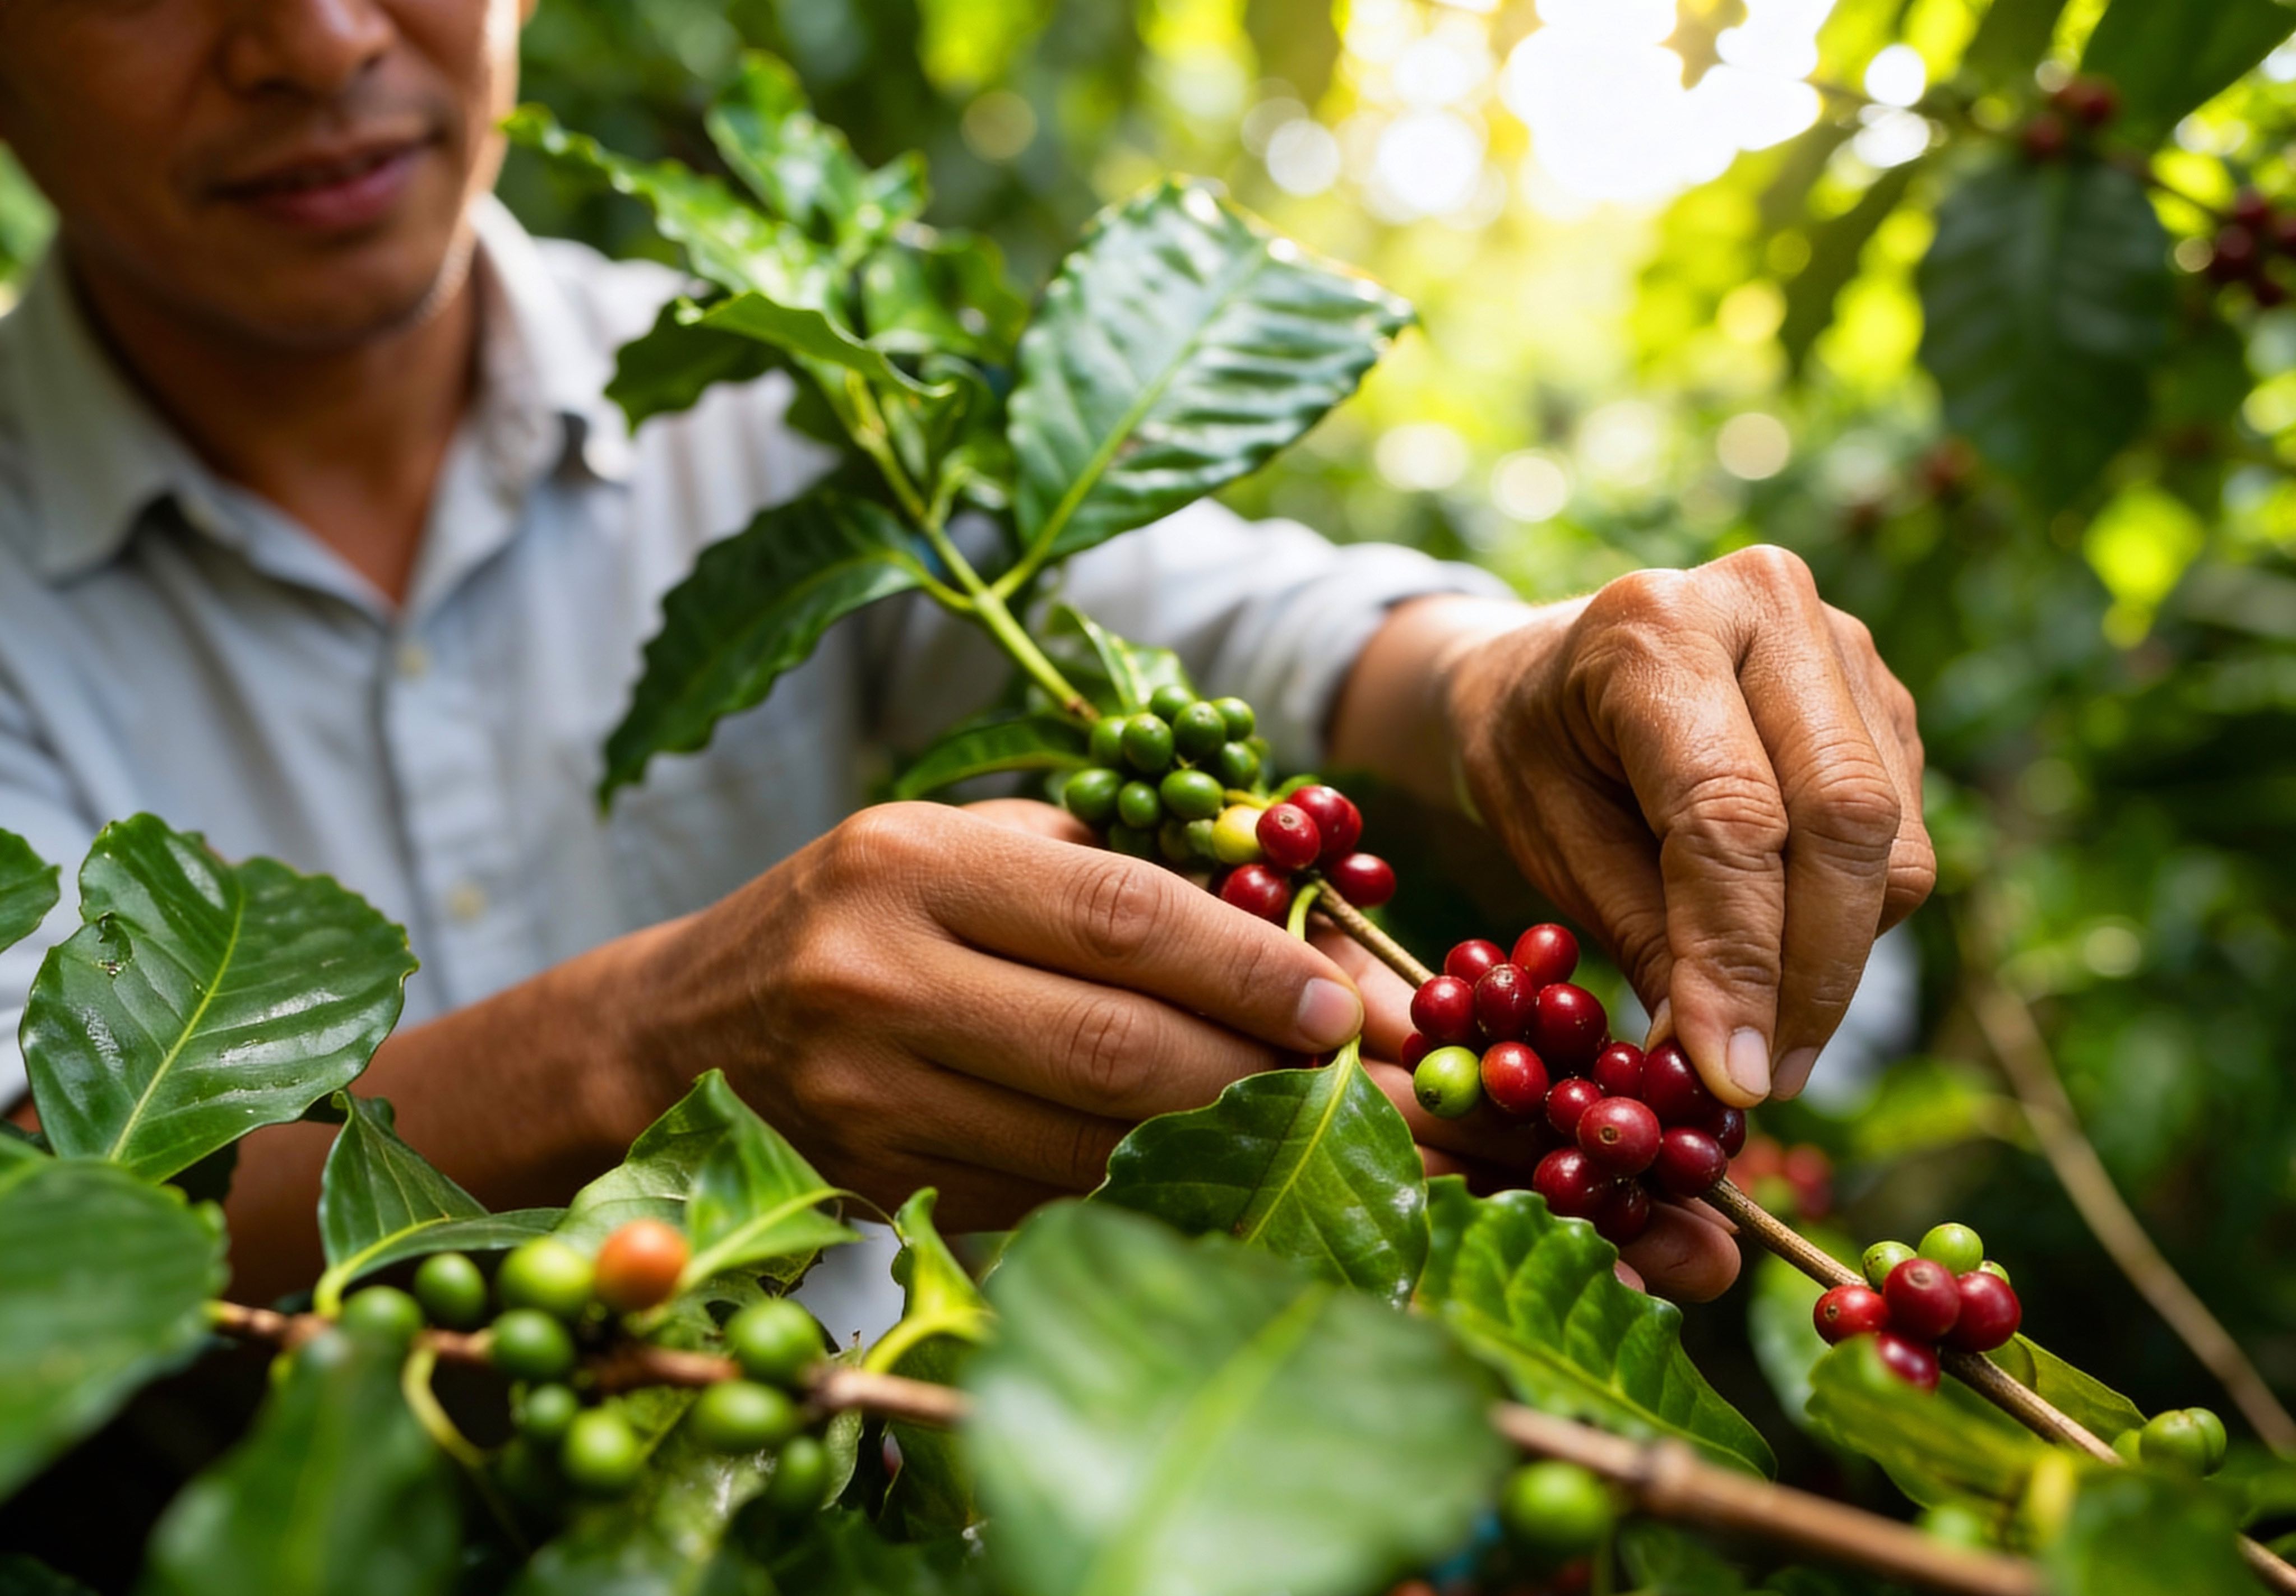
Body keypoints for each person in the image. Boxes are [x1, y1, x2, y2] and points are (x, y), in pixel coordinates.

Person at [0, 0, 1932, 1317]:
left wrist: (1512, 680)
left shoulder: (795, 409)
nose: (319, 40)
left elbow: (1236, 622)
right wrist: (639, 1046)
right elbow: (45, 1236)